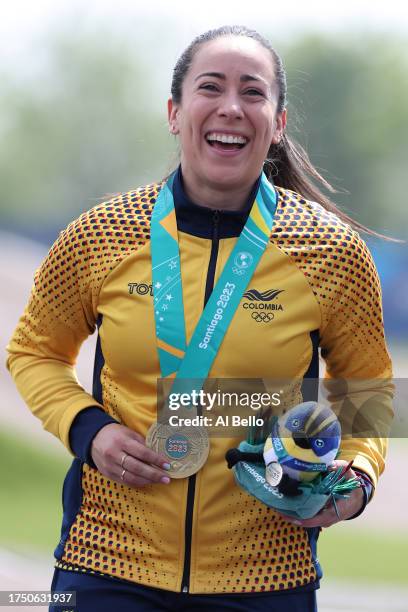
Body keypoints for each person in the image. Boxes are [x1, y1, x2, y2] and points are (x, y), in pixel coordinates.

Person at [6, 25, 393, 612]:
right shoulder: (101, 234)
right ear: (175, 111)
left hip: (266, 574)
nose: (231, 108)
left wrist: (357, 481)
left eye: (253, 92)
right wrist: (88, 430)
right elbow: (33, 352)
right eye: (210, 87)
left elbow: (371, 387)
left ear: (278, 122)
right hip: (107, 562)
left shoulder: (331, 251)